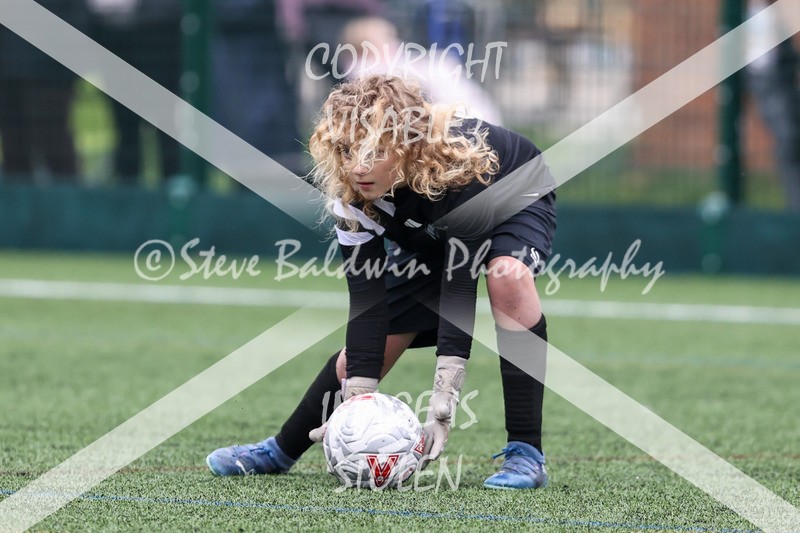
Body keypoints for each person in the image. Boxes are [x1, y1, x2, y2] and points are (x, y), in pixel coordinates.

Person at [206, 75, 557, 489]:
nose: (357, 167)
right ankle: (280, 451)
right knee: (363, 353)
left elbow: (457, 294)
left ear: (407, 145)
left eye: (373, 152)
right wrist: (354, 408)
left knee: (506, 277)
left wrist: (442, 403)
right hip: (433, 227)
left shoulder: (457, 170)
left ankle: (525, 453)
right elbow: (368, 304)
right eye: (348, 150)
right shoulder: (351, 194)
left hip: (516, 193)